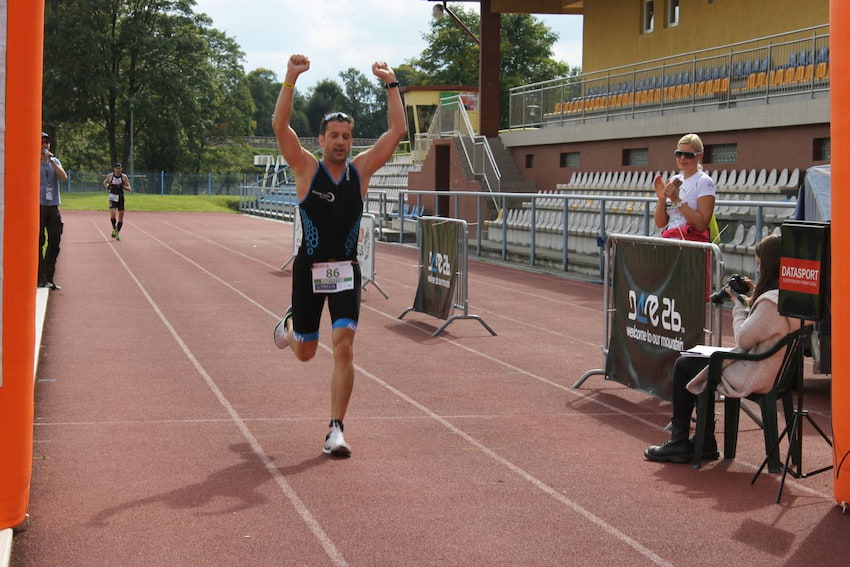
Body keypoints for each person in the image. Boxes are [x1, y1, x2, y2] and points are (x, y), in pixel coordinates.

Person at [271, 54, 406, 457]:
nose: (341, 142)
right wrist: (291, 79)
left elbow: (397, 130)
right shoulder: (305, 171)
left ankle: (336, 430)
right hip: (308, 272)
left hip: (346, 271)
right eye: (334, 135)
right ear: (322, 140)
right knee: (308, 352)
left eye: (347, 135)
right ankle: (291, 326)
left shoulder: (360, 173)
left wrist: (391, 83)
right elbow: (280, 126)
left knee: (344, 344)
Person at [644, 234, 801, 463]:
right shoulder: (793, 297)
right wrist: (752, 295)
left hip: (755, 373)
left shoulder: (770, 303)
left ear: (769, 265)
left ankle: (680, 440)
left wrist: (738, 306)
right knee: (702, 363)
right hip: (776, 373)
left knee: (685, 364)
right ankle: (704, 441)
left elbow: (744, 338)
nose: (757, 270)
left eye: (759, 265)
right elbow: (766, 326)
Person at [653, 133, 716, 242]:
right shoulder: (674, 180)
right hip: (670, 240)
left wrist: (676, 200)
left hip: (691, 244)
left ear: (699, 156)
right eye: (679, 153)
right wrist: (662, 199)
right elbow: (660, 223)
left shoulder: (704, 181)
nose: (682, 158)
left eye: (688, 155)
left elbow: (701, 224)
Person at [38, 132, 68, 290]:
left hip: (52, 206)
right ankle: (40, 276)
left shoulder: (54, 161)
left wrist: (50, 161)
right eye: (42, 142)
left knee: (55, 240)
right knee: (38, 241)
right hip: (38, 206)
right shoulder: (32, 161)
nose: (44, 145)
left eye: (47, 142)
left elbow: (64, 178)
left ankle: (49, 277)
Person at [102, 162, 132, 240]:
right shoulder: (110, 176)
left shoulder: (124, 177)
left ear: (121, 169)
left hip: (121, 198)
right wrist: (108, 186)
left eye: (119, 168)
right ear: (114, 169)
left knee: (121, 218)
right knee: (112, 215)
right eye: (116, 168)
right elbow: (104, 182)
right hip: (112, 197)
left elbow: (129, 189)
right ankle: (114, 228)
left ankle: (116, 233)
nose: (118, 170)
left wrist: (123, 187)